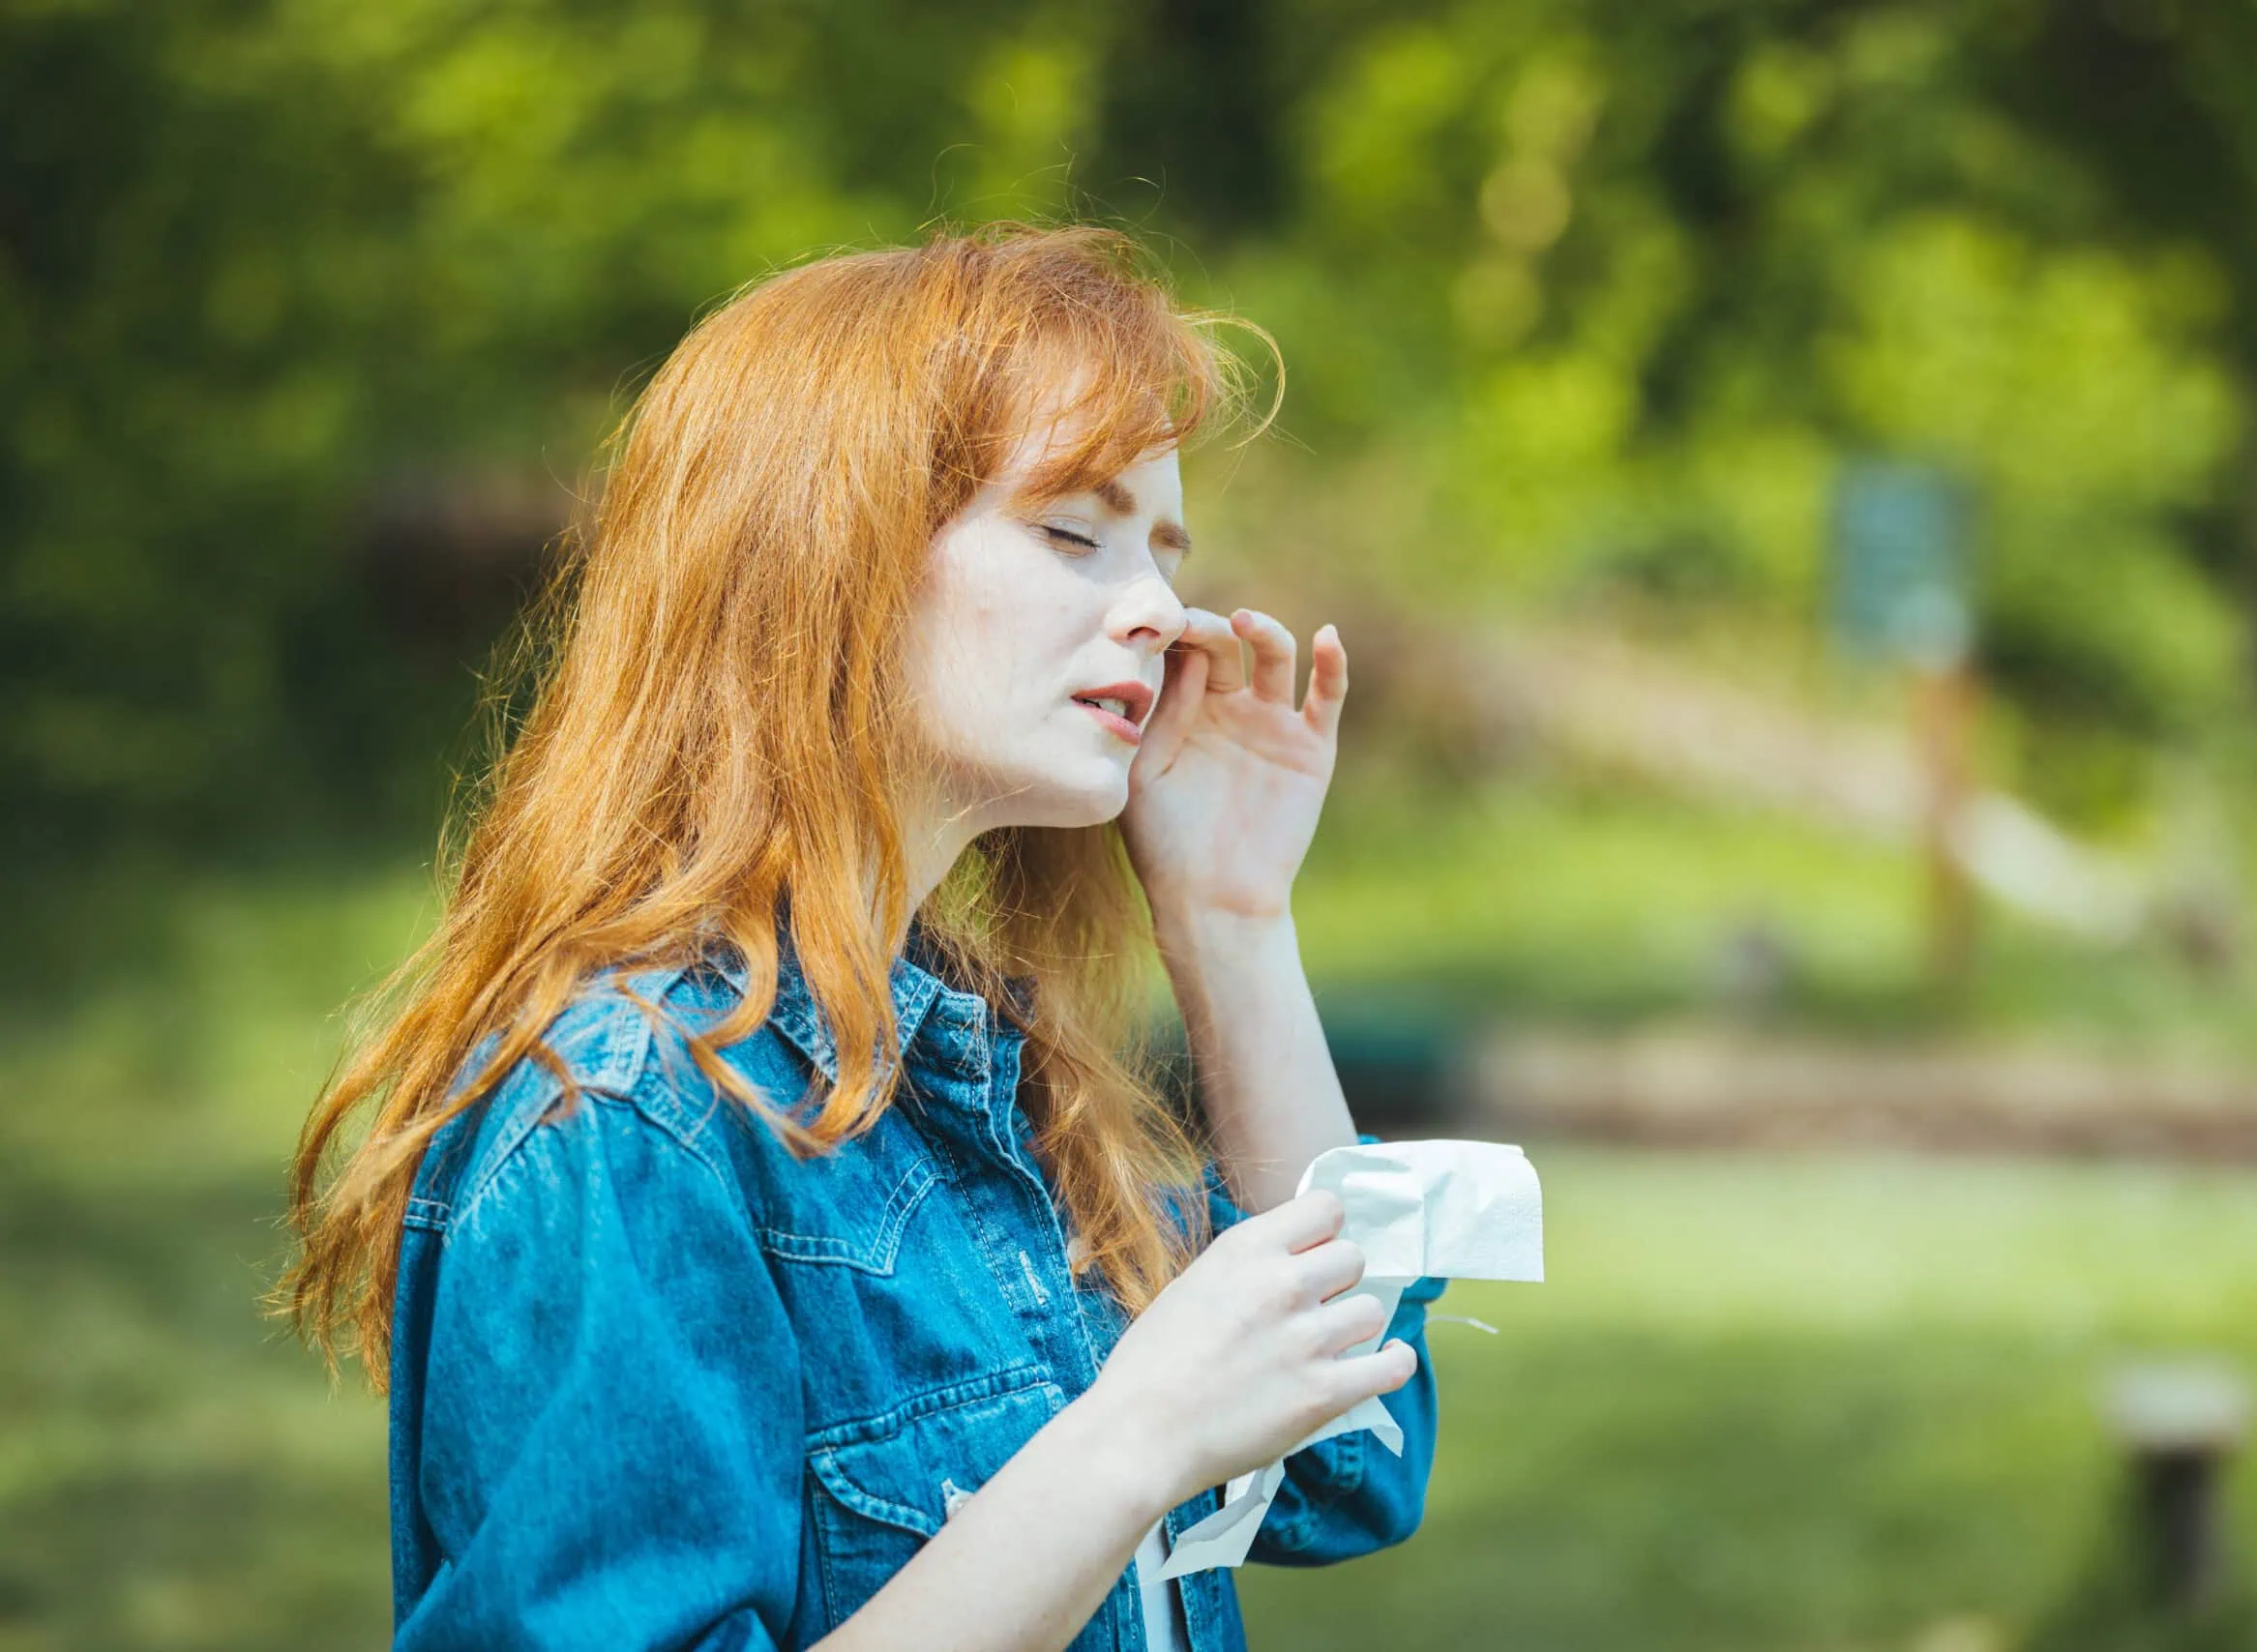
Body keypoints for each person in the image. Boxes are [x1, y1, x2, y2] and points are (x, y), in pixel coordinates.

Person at [280, 222, 1446, 1652]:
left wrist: (1232, 917)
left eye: (1162, 553)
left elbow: (1351, 1458)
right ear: (824, 559)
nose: (1156, 611)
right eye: (1073, 533)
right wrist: (1129, 1440)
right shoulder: (627, 1118)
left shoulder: (978, 1074)